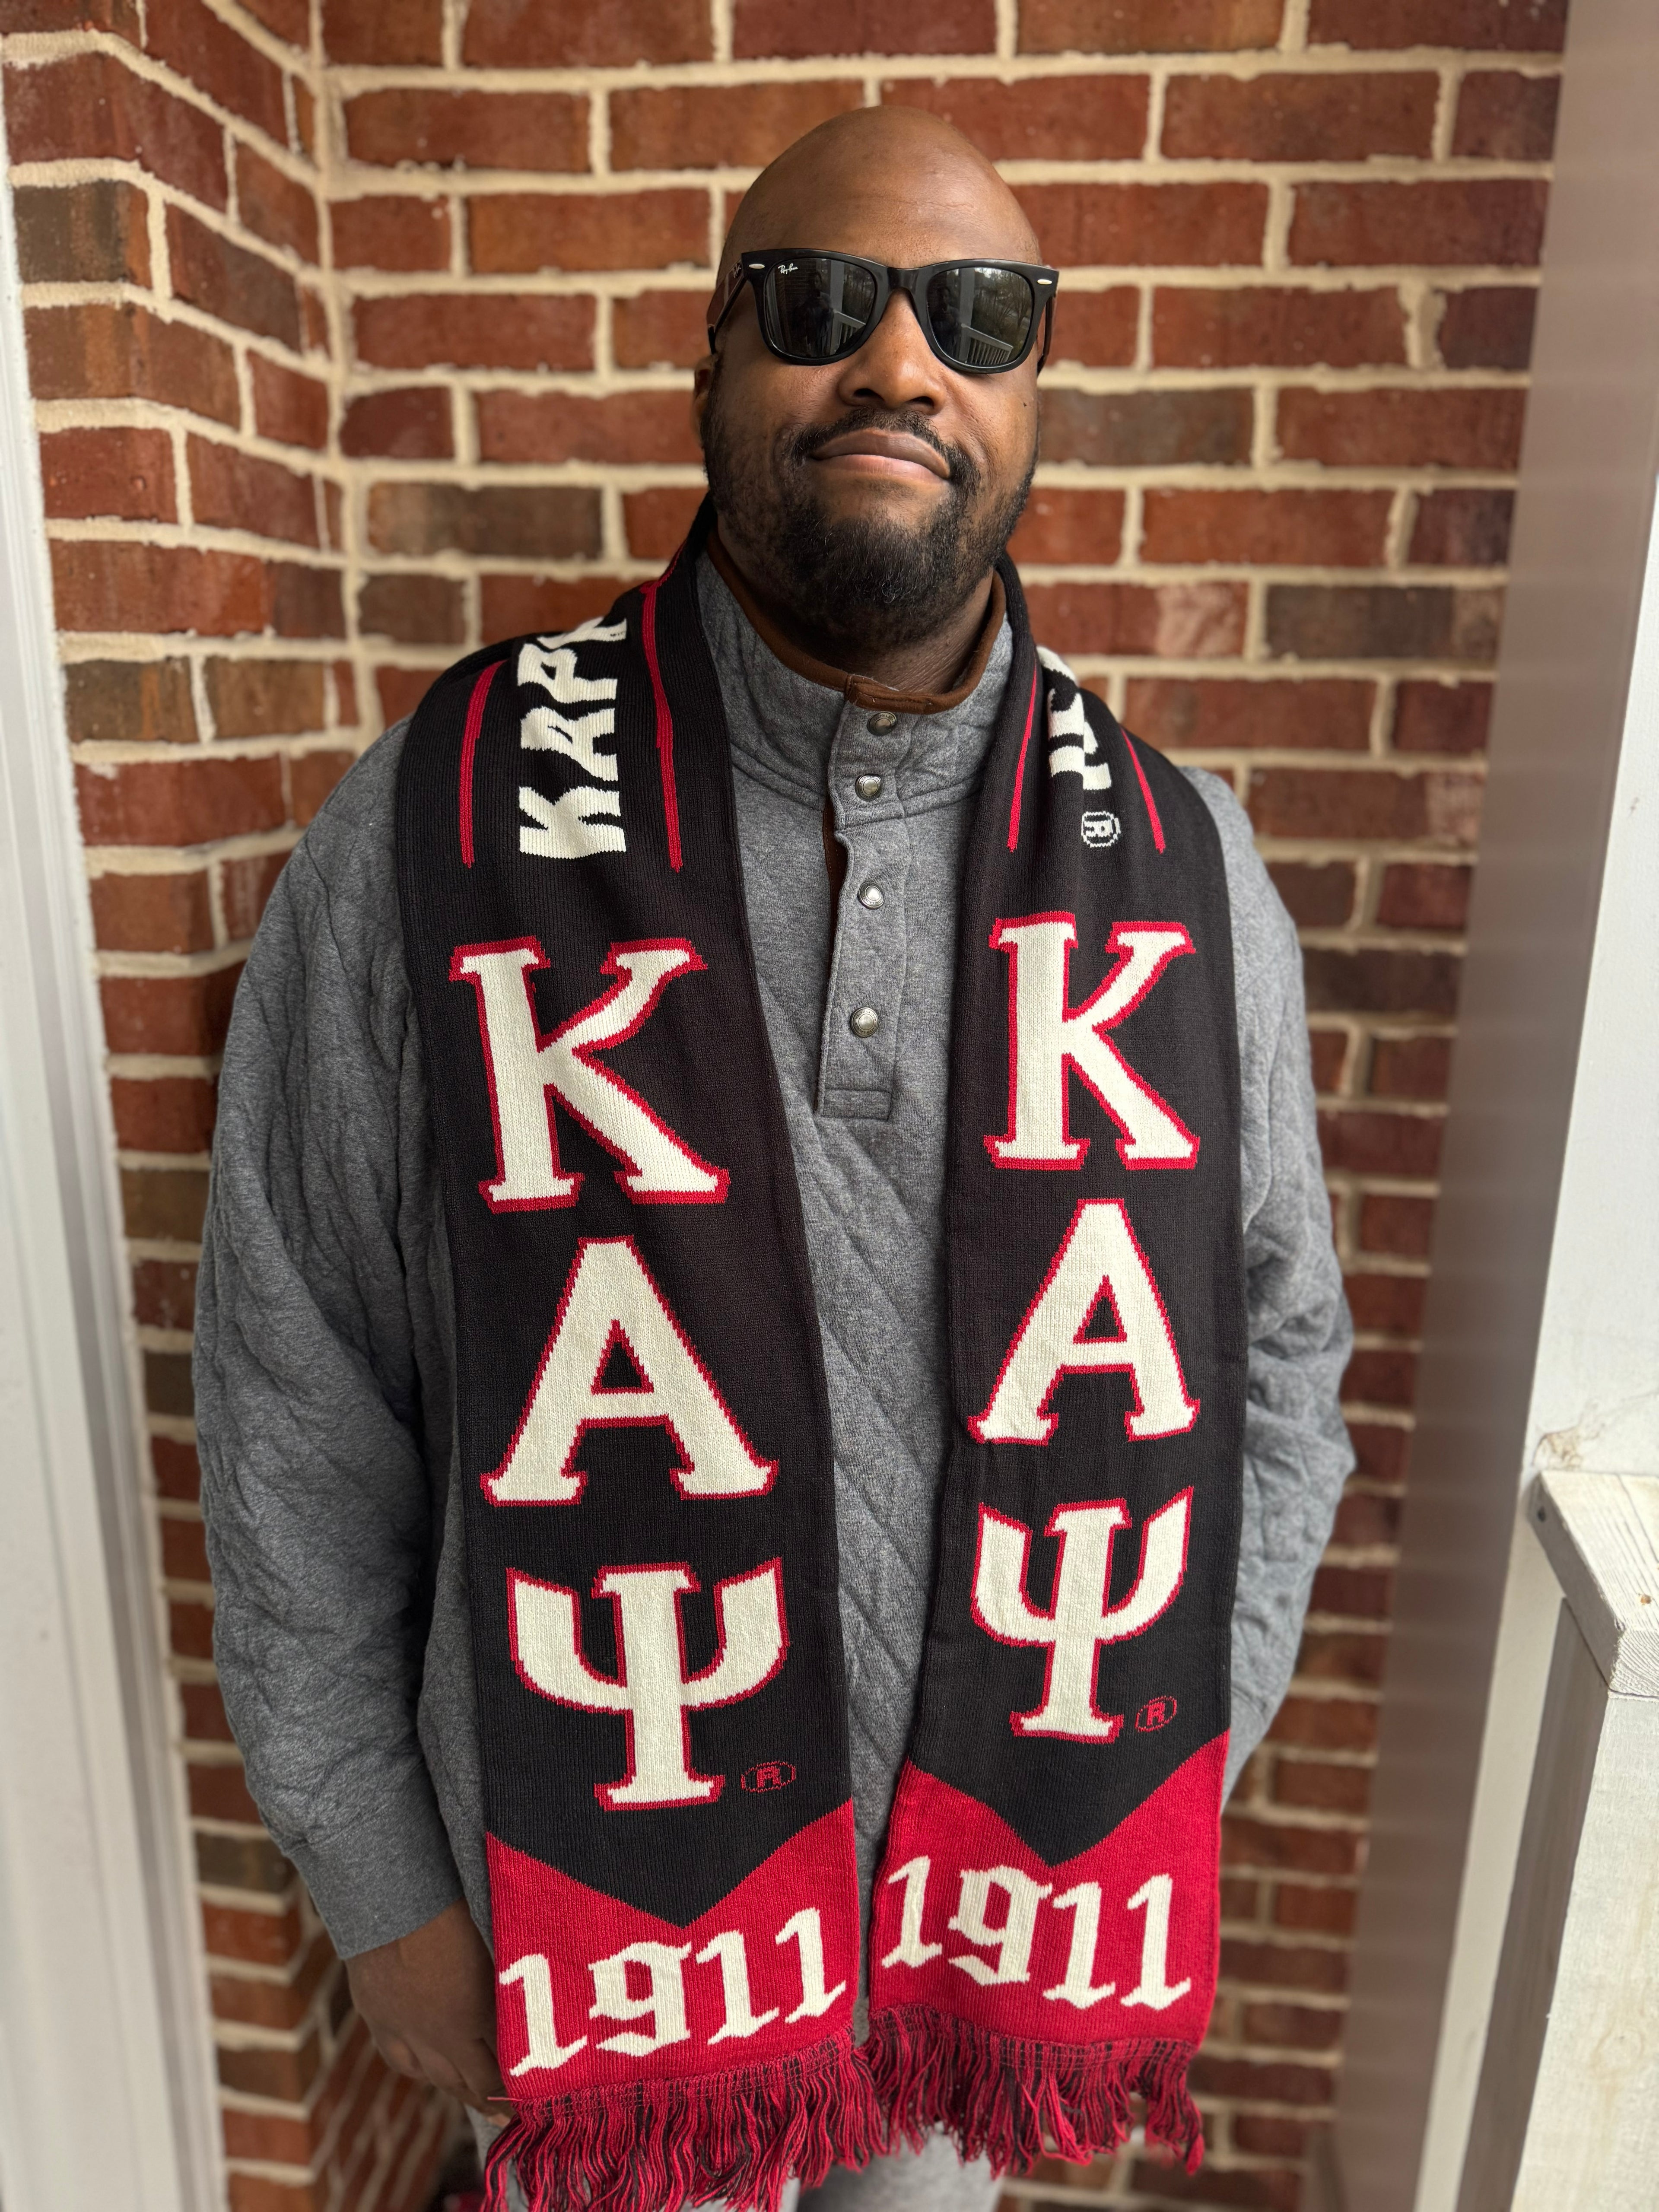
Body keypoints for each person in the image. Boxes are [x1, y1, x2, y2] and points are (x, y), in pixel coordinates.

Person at [196, 107, 1352, 2212]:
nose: (901, 365)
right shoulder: (436, 830)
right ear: (711, 363)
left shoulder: (1189, 875)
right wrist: (377, 1882)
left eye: (980, 320)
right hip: (583, 1940)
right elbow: (300, 1389)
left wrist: (1149, 1773)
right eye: (824, 304)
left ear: (1027, 402)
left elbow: (1278, 1375)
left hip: (977, 1942)